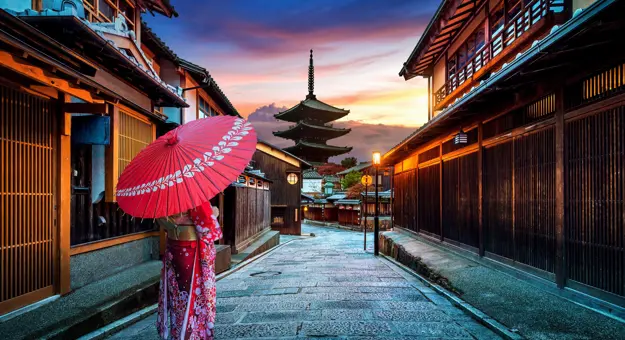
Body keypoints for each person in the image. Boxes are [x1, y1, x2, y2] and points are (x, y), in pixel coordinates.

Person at [156, 201, 222, 340]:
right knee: (192, 296)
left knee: (178, 296)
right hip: (190, 252)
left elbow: (165, 225)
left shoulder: (164, 196)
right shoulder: (193, 196)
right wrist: (214, 213)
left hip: (174, 250)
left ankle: (177, 332)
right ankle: (190, 335)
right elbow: (206, 227)